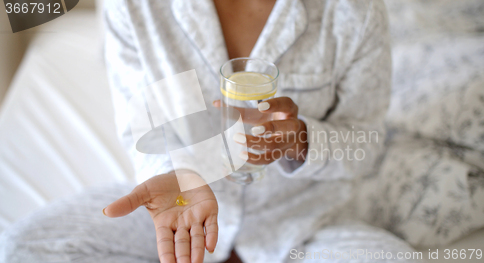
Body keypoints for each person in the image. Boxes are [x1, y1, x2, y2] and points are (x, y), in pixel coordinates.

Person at [0, 0, 421, 262]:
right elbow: (142, 127)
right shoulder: (135, 6)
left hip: (300, 228)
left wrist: (302, 139)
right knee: (25, 250)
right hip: (175, 207)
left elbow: (366, 143)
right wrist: (175, 174)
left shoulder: (354, 12)